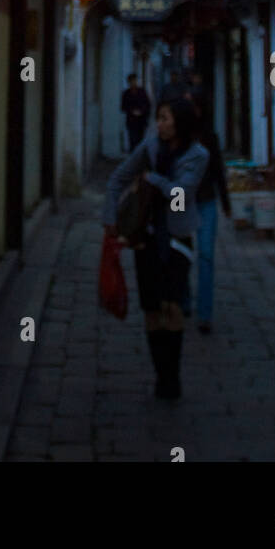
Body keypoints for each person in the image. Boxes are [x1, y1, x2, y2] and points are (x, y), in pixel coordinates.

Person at [103, 95, 209, 399]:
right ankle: (160, 376)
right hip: (146, 237)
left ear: (181, 122)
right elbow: (118, 178)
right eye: (158, 118)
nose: (159, 124)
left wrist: (153, 179)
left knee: (172, 305)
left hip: (177, 237)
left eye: (165, 118)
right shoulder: (149, 147)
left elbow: (180, 195)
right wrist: (110, 219)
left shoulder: (198, 155)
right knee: (151, 308)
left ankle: (173, 377)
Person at [181, 80, 230, 333]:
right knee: (181, 254)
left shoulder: (209, 137)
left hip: (207, 201)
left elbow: (218, 170)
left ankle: (205, 313)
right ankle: (184, 300)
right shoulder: (177, 135)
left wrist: (226, 202)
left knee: (206, 255)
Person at [120, 72, 151, 150]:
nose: (133, 83)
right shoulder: (126, 94)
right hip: (131, 121)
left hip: (141, 121)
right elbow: (123, 107)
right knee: (132, 140)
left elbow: (148, 104)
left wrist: (142, 111)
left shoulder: (142, 92)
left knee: (140, 140)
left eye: (134, 80)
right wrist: (132, 111)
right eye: (131, 81)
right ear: (129, 82)